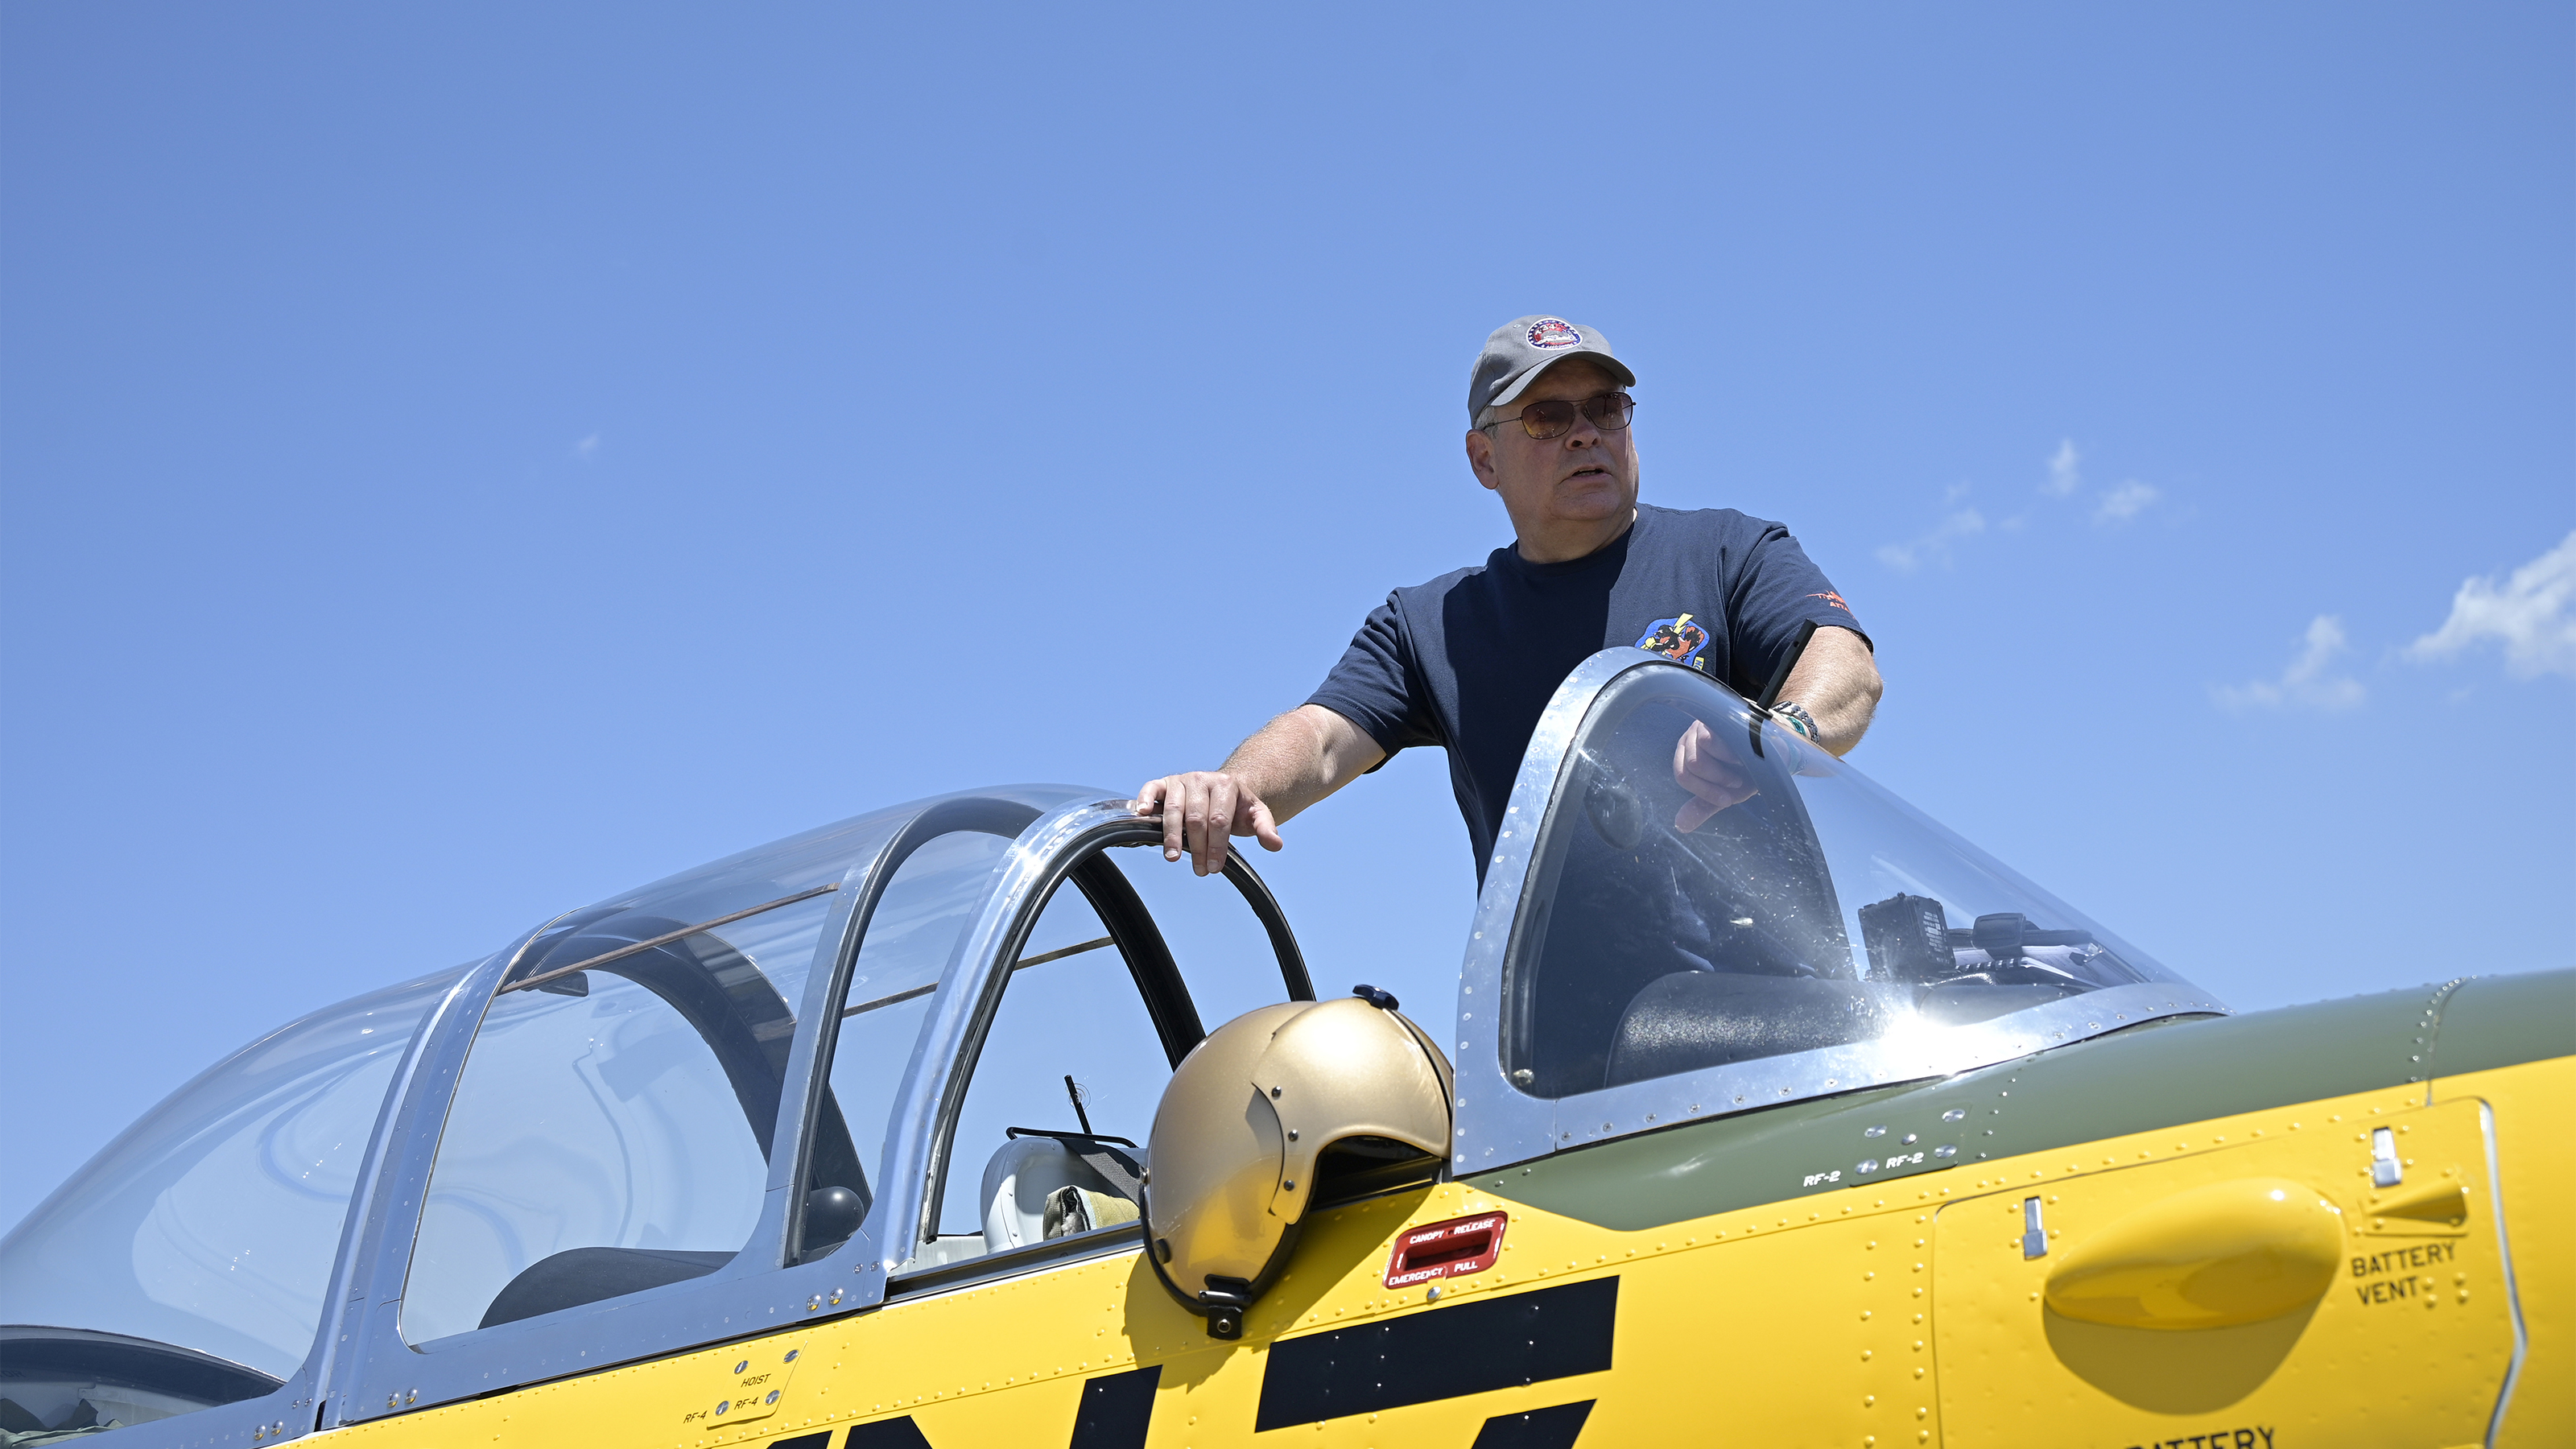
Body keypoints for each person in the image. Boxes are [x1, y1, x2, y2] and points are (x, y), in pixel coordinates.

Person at [1138, 314, 1883, 881]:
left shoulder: (1728, 551)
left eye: (1605, 407)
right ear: (1483, 459)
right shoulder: (1430, 626)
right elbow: (1324, 739)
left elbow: (1846, 667)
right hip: (1549, 1056)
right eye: (1548, 417)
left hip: (1784, 1027)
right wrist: (1233, 786)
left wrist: (1770, 732)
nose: (1585, 434)